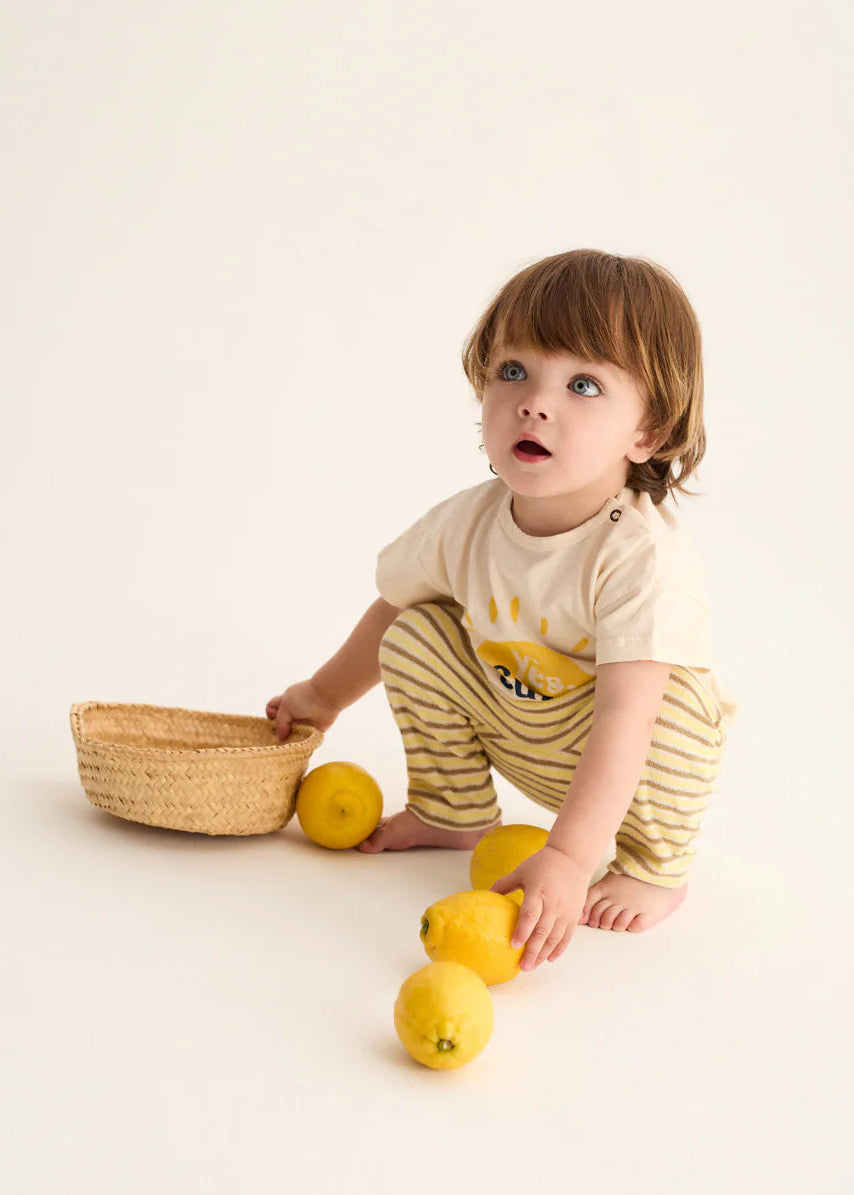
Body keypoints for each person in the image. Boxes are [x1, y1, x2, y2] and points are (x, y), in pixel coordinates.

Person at [266, 248, 737, 973]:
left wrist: (572, 856)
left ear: (648, 432)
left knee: (669, 705)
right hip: (528, 725)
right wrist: (320, 697)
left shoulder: (640, 559)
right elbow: (390, 609)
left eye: (584, 384)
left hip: (625, 753)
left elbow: (624, 721)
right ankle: (452, 811)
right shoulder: (466, 523)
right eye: (513, 371)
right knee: (417, 630)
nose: (535, 402)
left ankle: (655, 866)